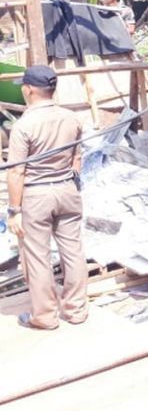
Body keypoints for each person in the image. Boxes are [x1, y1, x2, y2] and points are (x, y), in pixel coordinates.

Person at [5, 65, 87, 330]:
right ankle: (76, 310)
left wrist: (14, 210)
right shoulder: (72, 118)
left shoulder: (24, 125)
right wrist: (70, 182)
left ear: (29, 90)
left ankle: (45, 316)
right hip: (67, 189)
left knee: (37, 256)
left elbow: (17, 172)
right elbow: (77, 158)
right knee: (73, 251)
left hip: (37, 195)